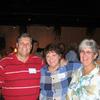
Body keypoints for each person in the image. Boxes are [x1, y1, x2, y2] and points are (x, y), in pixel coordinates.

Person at [0, 33, 44, 100]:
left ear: (31, 46)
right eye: (22, 43)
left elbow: (50, 77)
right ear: (17, 45)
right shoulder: (4, 63)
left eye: (28, 44)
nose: (25, 46)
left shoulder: (39, 62)